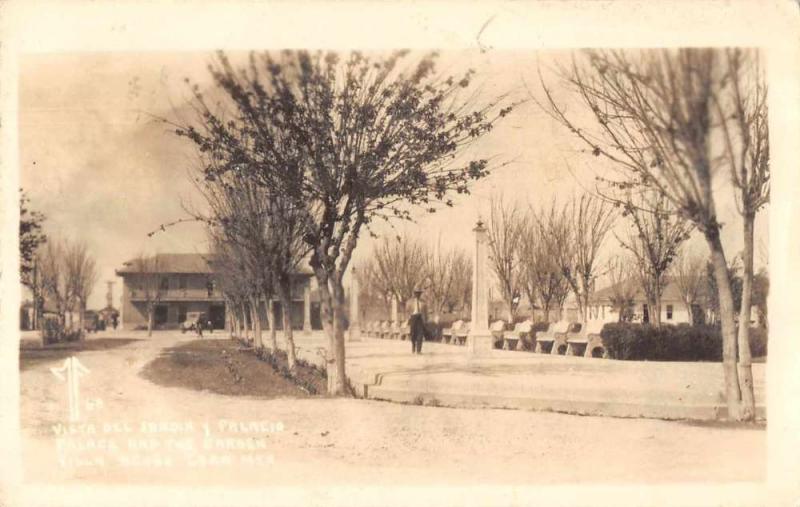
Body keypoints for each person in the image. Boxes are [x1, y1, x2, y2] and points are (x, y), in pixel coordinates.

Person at [408, 289, 429, 354]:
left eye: (419, 293)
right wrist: (408, 318)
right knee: (413, 334)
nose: (418, 295)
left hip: (420, 318)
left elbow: (426, 312)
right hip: (413, 318)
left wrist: (426, 320)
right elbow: (407, 311)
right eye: (416, 293)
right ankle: (413, 346)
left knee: (420, 334)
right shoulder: (410, 302)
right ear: (414, 294)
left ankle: (419, 350)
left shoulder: (423, 302)